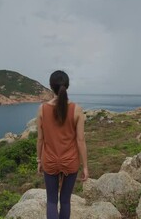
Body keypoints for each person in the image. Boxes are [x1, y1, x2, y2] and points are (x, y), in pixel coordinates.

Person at [36, 70, 89, 219]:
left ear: (50, 87)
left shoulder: (42, 109)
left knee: (52, 201)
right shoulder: (77, 110)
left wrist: (39, 160)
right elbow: (80, 140)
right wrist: (85, 166)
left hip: (50, 161)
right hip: (70, 161)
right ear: (67, 86)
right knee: (65, 201)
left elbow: (40, 139)